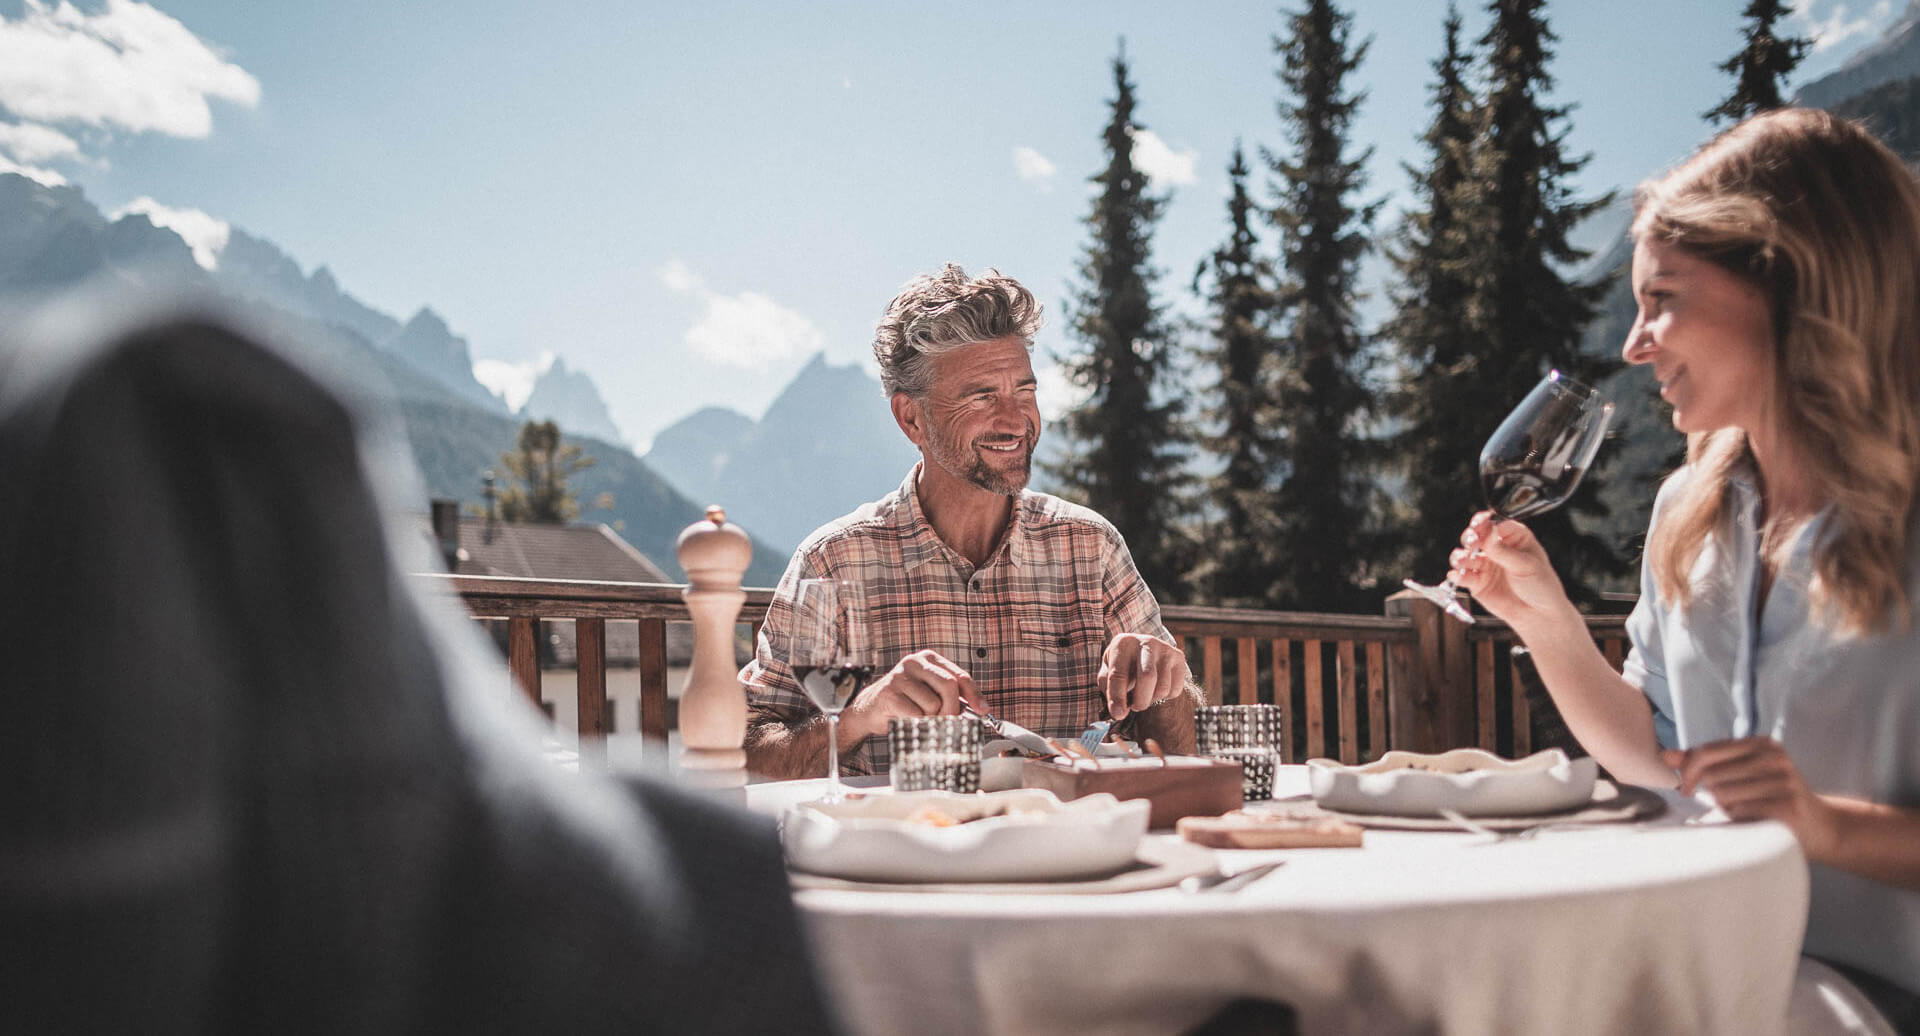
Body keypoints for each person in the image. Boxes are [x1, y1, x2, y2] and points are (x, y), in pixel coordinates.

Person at [1447, 108, 1920, 1025]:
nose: (1634, 344)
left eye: (1662, 299)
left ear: (1792, 286)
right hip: (1725, 975)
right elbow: (1662, 757)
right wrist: (1541, 618)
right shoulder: (1690, 513)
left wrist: (1826, 827)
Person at [741, 264, 1199, 779]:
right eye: (982, 397)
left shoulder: (1091, 546)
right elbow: (747, 753)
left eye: (1024, 393)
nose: (1014, 420)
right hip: (909, 851)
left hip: (1068, 846)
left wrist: (1165, 685)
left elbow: (1178, 755)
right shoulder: (832, 562)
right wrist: (858, 718)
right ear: (911, 418)